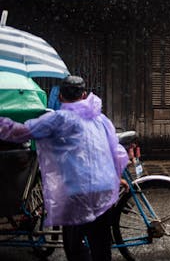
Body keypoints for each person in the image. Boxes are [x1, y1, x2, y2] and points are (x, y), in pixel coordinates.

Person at [0, 75, 129, 261]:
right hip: (104, 190)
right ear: (84, 95)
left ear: (60, 97)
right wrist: (117, 178)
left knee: (74, 247)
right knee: (101, 248)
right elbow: (116, 152)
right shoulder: (100, 119)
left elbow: (21, 132)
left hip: (78, 194)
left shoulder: (59, 119)